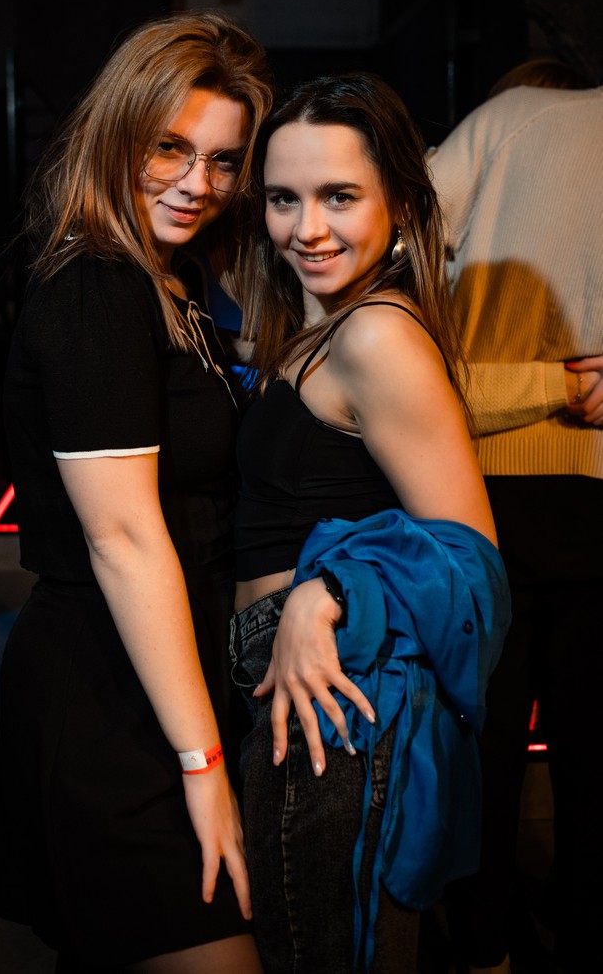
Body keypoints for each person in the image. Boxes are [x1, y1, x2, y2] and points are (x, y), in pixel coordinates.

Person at [0, 9, 274, 973]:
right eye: (171, 148)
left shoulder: (169, 279)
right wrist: (202, 762)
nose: (199, 183)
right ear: (118, 132)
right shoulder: (96, 287)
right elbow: (124, 541)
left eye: (223, 160)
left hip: (167, 678)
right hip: (112, 696)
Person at [228, 72, 512, 974]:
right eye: (283, 198)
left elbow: (477, 569)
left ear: (399, 200)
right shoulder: (321, 325)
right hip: (298, 691)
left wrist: (331, 595)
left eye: (339, 196)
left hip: (335, 702)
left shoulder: (376, 335)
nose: (306, 228)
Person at [427, 64, 603, 974]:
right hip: (594, 492)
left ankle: (483, 944)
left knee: (484, 745)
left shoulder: (506, 124)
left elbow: (394, 227)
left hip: (491, 486)